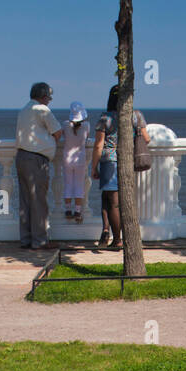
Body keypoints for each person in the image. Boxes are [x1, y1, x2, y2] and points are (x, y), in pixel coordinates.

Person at [93, 85, 148, 250]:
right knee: (119, 201)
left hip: (109, 162)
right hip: (128, 161)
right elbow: (146, 138)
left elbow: (98, 145)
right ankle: (116, 235)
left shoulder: (105, 118)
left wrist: (93, 167)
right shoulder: (136, 116)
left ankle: (117, 240)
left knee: (113, 202)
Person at [16, 82, 62, 250]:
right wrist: (51, 142)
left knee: (25, 200)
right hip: (36, 158)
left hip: (21, 156)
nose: (49, 101)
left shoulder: (23, 110)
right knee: (38, 200)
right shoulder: (42, 110)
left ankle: (26, 239)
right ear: (43, 96)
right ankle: (40, 240)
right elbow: (57, 131)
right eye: (49, 97)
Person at [62, 101, 91, 223]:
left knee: (68, 184)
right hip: (80, 158)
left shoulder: (64, 124)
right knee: (79, 185)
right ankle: (78, 211)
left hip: (67, 158)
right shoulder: (86, 125)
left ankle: (68, 210)